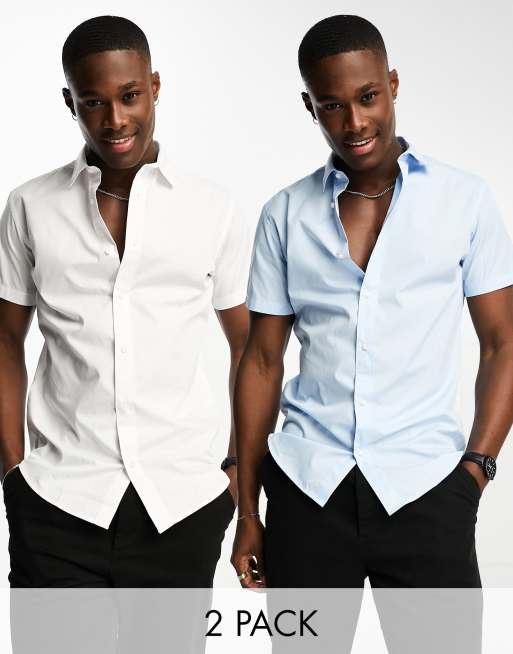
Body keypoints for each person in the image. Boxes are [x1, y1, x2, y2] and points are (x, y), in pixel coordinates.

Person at [231, 14, 513, 652]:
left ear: (393, 85)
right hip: (308, 490)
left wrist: (476, 470)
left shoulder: (464, 200)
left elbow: (502, 343)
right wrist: (249, 512)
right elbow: (262, 361)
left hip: (427, 490)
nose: (355, 122)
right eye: (332, 105)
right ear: (311, 107)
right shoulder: (285, 213)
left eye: (368, 97)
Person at [0, 15, 251, 590]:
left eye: (130, 95)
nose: (115, 119)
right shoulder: (30, 206)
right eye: (94, 101)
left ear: (154, 87)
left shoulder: (212, 208)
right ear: (70, 101)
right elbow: (6, 339)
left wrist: (238, 469)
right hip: (56, 502)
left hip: (181, 505)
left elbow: (249, 345)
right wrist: (13, 472)